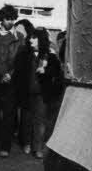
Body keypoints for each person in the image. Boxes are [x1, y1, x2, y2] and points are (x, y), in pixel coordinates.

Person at [16, 29, 62, 158]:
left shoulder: (50, 56)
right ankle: (26, 143)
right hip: (26, 92)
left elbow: (57, 75)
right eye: (30, 37)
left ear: (41, 40)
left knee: (40, 120)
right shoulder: (23, 55)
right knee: (26, 119)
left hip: (41, 93)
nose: (30, 40)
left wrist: (46, 72)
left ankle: (38, 148)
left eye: (34, 38)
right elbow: (18, 74)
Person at [0, 5, 23, 157]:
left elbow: (20, 60)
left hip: (9, 78)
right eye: (7, 19)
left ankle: (4, 146)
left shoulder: (19, 37)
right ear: (2, 18)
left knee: (8, 113)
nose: (10, 22)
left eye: (13, 19)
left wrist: (11, 74)